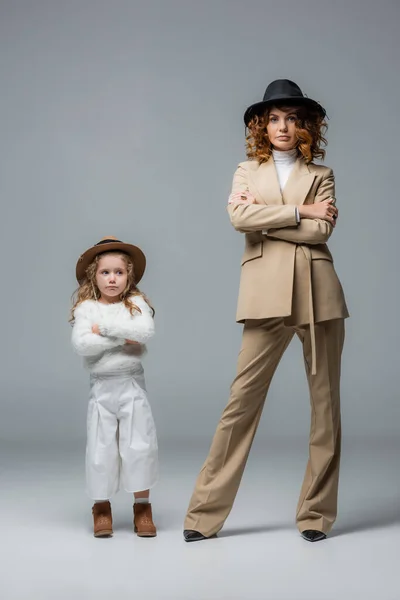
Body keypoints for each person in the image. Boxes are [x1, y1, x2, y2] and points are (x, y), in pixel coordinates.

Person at [184, 79, 349, 543]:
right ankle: (203, 515)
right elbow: (239, 219)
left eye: (292, 118)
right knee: (240, 404)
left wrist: (268, 217)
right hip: (264, 296)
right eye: (274, 118)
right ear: (261, 125)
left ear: (306, 126)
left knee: (325, 408)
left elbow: (321, 235)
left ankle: (315, 515)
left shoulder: (323, 172)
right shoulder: (245, 171)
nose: (282, 126)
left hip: (318, 293)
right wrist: (300, 211)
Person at [71, 236, 158, 538]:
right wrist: (125, 338)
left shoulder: (135, 304)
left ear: (128, 276)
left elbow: (145, 331)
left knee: (139, 445)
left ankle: (142, 506)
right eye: (105, 272)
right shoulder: (87, 308)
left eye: (119, 272)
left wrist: (106, 331)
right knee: (101, 448)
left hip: (131, 384)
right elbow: (83, 344)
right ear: (94, 275)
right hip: (102, 389)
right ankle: (101, 507)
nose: (112, 278)